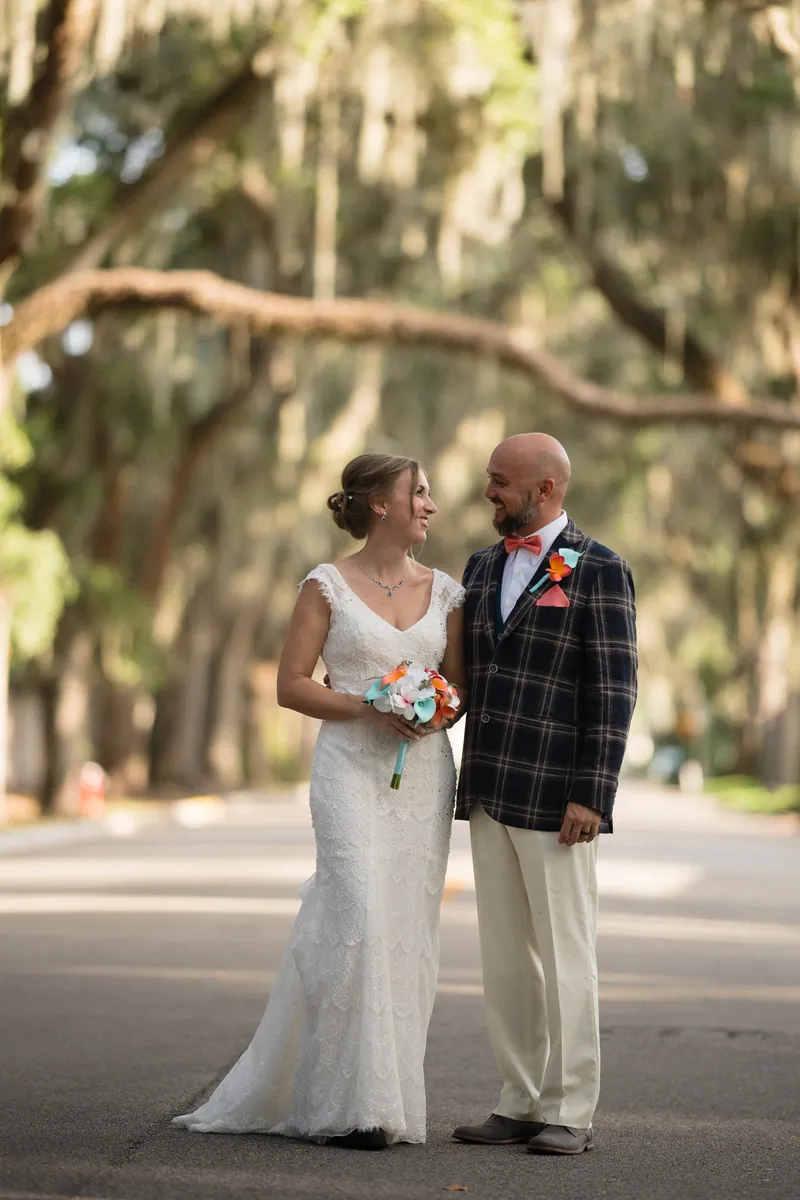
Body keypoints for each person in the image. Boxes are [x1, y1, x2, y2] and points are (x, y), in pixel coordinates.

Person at [173, 453, 466, 1150]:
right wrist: (367, 705)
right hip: (347, 768)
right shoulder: (326, 585)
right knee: (357, 911)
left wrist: (434, 712)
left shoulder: (450, 593)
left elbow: (458, 689)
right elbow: (290, 684)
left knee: (405, 929)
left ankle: (385, 1103)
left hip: (421, 775)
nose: (430, 505)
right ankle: (345, 1103)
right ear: (380, 506)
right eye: (418, 493)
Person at [452, 433, 637, 1156]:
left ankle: (572, 1109)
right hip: (491, 788)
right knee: (503, 956)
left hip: (560, 797)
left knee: (566, 954)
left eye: (500, 481)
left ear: (546, 489)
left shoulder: (599, 569)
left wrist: (593, 793)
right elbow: (468, 675)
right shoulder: (478, 565)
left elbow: (614, 690)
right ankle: (520, 1099)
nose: (489, 491)